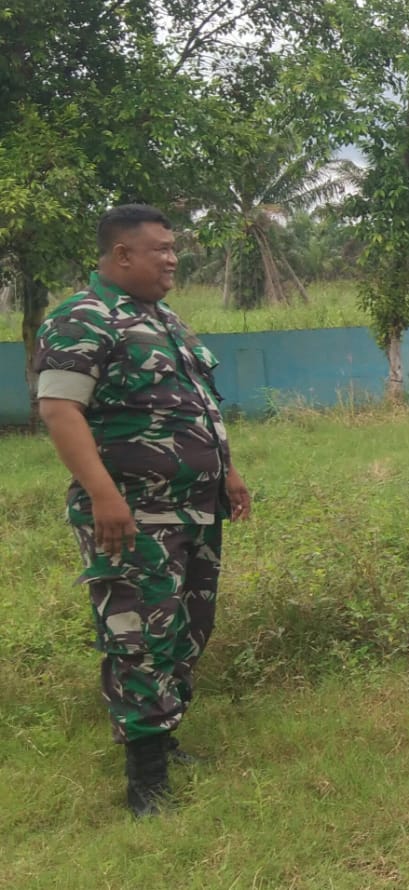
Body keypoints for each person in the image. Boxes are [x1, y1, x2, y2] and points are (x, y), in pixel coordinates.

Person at [35, 204, 252, 817]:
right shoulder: (84, 317)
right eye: (159, 249)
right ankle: (145, 778)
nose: (172, 258)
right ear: (121, 254)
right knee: (138, 635)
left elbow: (200, 405)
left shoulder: (167, 322)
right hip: (132, 512)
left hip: (193, 510)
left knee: (185, 628)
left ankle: (165, 735)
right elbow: (60, 410)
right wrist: (105, 495)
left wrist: (228, 472)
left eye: (173, 248)